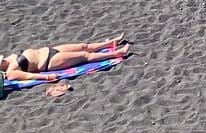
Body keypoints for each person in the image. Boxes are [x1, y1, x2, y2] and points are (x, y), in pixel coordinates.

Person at [1, 36, 129, 83]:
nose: (3, 60)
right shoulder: (11, 72)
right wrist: (47, 77)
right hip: (48, 62)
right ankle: (117, 53)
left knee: (83, 46)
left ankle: (111, 43)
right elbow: (28, 76)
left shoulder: (9, 58)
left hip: (49, 50)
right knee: (85, 56)